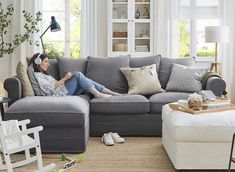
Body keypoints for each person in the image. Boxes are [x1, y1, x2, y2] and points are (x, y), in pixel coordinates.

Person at [28, 53, 121, 98]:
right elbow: (50, 88)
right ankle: (98, 94)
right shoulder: (38, 75)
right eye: (46, 62)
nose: (48, 64)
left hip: (63, 91)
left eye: (48, 62)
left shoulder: (44, 75)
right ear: (38, 61)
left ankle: (110, 92)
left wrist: (67, 80)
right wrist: (65, 79)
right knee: (78, 75)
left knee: (86, 80)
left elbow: (56, 84)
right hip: (60, 95)